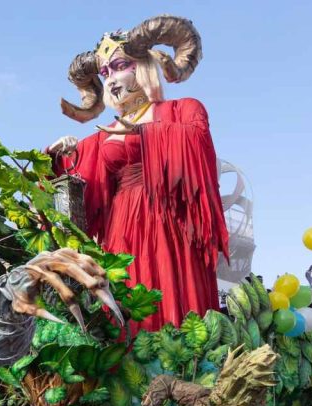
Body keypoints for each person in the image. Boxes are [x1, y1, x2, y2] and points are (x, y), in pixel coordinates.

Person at [47, 15, 229, 332]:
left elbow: (197, 142)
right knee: (128, 298)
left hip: (170, 223)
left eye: (120, 66)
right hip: (121, 230)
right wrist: (55, 159)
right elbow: (78, 184)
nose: (112, 80)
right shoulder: (104, 134)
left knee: (174, 297)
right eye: (104, 73)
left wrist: (147, 135)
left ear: (143, 65)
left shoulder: (184, 108)